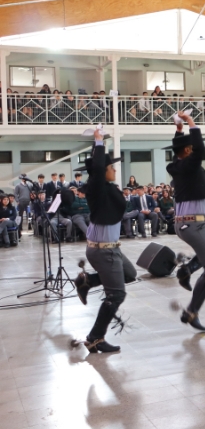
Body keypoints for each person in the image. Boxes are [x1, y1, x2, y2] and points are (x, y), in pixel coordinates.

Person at [71, 128, 135, 353]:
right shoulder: (97, 188)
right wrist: (98, 141)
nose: (114, 170)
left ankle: (86, 281)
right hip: (103, 250)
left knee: (130, 274)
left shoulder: (106, 188)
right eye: (111, 167)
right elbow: (97, 169)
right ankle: (95, 338)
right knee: (116, 294)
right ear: (103, 171)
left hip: (111, 248)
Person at [170, 111, 205, 332]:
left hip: (189, 224)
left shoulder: (180, 165)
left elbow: (179, 149)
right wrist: (191, 123)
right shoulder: (188, 166)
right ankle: (191, 312)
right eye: (191, 147)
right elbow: (199, 149)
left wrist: (180, 129)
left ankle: (186, 271)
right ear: (189, 150)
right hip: (193, 224)